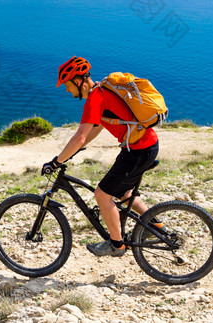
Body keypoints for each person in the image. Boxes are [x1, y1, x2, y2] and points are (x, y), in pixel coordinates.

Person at [42, 56, 159, 257]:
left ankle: (117, 244)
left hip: (138, 150)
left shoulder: (95, 99)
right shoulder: (101, 91)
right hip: (143, 146)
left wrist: (56, 161)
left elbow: (80, 136)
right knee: (123, 191)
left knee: (102, 195)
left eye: (68, 85)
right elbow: (96, 128)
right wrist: (76, 150)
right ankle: (154, 224)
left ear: (78, 81)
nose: (68, 91)